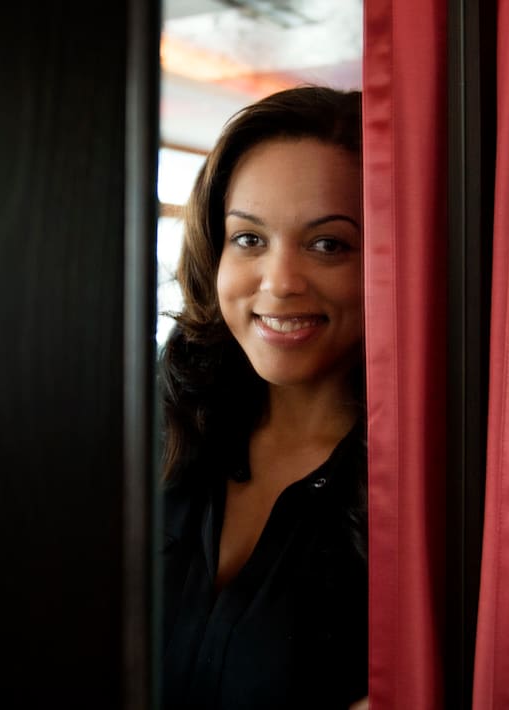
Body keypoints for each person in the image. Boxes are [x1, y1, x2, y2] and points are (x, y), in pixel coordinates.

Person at [160, 86, 367, 710]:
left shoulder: (430, 488)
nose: (278, 283)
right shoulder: (156, 419)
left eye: (328, 244)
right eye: (249, 239)